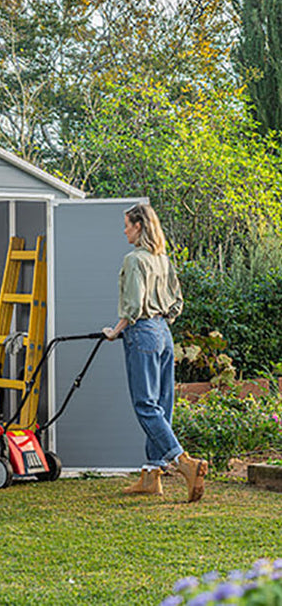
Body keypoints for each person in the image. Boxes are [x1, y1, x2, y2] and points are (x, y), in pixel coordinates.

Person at [102, 203, 208, 502]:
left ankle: (184, 463)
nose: (124, 230)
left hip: (142, 333)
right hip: (163, 332)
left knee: (146, 405)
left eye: (127, 225)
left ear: (139, 226)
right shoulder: (162, 259)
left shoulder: (134, 260)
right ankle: (151, 475)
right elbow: (177, 302)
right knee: (162, 403)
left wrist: (115, 330)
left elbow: (133, 306)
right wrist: (160, 321)